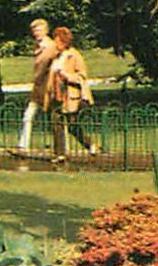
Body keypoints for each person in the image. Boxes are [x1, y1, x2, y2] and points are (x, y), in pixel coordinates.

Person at [48, 26, 96, 163]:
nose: (55, 44)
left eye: (57, 41)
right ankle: (60, 154)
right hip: (57, 94)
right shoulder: (55, 56)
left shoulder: (74, 55)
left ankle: (90, 144)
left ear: (64, 41)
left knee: (73, 126)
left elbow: (82, 76)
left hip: (71, 95)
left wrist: (66, 76)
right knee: (56, 122)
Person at [13, 18, 55, 156]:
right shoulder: (37, 46)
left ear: (46, 31)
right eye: (34, 30)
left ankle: (61, 148)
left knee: (56, 120)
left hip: (49, 88)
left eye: (39, 30)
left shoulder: (50, 46)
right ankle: (23, 146)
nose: (36, 33)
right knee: (28, 115)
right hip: (38, 89)